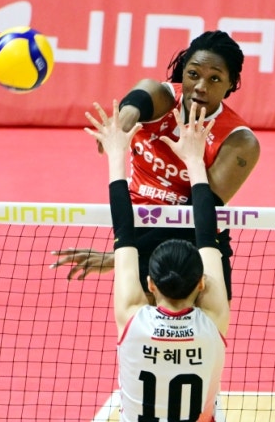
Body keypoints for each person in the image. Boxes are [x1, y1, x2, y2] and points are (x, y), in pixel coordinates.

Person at [51, 30, 260, 300]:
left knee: (211, 323)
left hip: (199, 237)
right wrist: (123, 120)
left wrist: (120, 256)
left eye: (215, 79)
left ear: (231, 84)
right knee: (142, 324)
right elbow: (139, 98)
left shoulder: (239, 141)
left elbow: (199, 211)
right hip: (143, 225)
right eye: (193, 74)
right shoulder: (162, 98)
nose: (200, 86)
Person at [90, 99, 229, 421]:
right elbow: (208, 234)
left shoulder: (132, 315)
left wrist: (116, 154)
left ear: (149, 284)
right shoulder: (213, 319)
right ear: (201, 283)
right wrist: (195, 160)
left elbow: (124, 231)